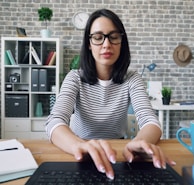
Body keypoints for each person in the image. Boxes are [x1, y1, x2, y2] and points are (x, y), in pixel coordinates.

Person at [45, 8, 175, 180]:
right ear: (89, 44)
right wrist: (79, 145)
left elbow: (151, 122)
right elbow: (54, 122)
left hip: (119, 152)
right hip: (79, 150)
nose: (106, 44)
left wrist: (137, 144)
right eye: (98, 38)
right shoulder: (74, 77)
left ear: (122, 42)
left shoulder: (132, 79)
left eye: (113, 37)